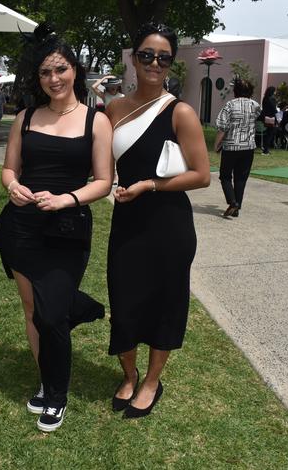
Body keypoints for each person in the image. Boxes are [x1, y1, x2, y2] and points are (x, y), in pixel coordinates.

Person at [0, 23, 113, 432]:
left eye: (60, 69)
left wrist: (67, 198)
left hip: (68, 228)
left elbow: (102, 181)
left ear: (74, 70)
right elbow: (9, 169)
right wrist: (14, 187)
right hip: (22, 226)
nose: (53, 79)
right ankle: (47, 381)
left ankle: (57, 397)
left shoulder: (96, 121)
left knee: (52, 313)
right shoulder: (24, 118)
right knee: (33, 311)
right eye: (44, 72)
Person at [105, 22, 210, 419]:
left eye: (163, 58)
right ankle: (129, 374)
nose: (154, 63)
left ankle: (151, 381)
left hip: (168, 223)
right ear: (134, 58)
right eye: (146, 55)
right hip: (128, 221)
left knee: (165, 302)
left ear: (170, 64)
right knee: (125, 299)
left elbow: (201, 175)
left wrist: (149, 184)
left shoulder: (179, 112)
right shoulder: (113, 108)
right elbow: (100, 165)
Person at [213, 79, 262, 217]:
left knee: (225, 176)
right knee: (241, 178)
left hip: (231, 146)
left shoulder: (230, 105)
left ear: (235, 91)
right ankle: (237, 207)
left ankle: (232, 202)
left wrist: (216, 144)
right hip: (248, 146)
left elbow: (223, 127)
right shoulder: (255, 105)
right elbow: (258, 118)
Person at [260, 86, 277, 154]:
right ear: (273, 91)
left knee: (267, 133)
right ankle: (266, 150)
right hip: (271, 118)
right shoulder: (272, 98)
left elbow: (264, 108)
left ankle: (265, 148)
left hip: (266, 117)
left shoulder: (265, 98)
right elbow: (273, 108)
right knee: (270, 134)